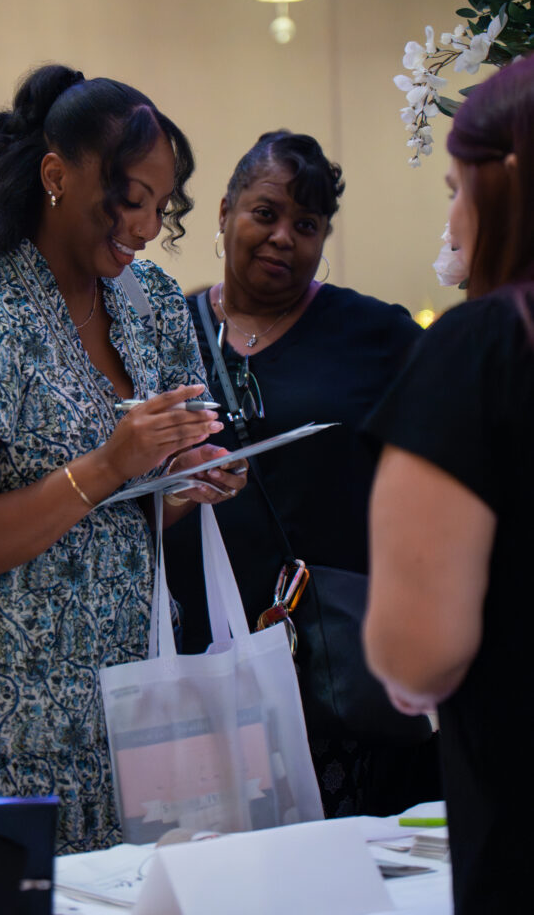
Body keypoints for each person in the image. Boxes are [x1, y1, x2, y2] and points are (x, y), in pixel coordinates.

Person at [0, 64, 246, 886]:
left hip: (117, 721)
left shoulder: (148, 305)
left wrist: (182, 484)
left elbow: (110, 525)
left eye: (161, 204)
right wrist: (110, 464)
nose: (145, 226)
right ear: (56, 175)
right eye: (129, 197)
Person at [164, 130, 440, 818]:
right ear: (225, 211)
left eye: (307, 224)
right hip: (194, 655)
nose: (283, 236)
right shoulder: (165, 334)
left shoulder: (375, 335)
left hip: (332, 662)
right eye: (265, 213)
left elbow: (446, 462)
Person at [363, 55, 534, 914]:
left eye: (451, 187)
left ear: (503, 182)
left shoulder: (481, 348)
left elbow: (416, 649)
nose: (452, 214)